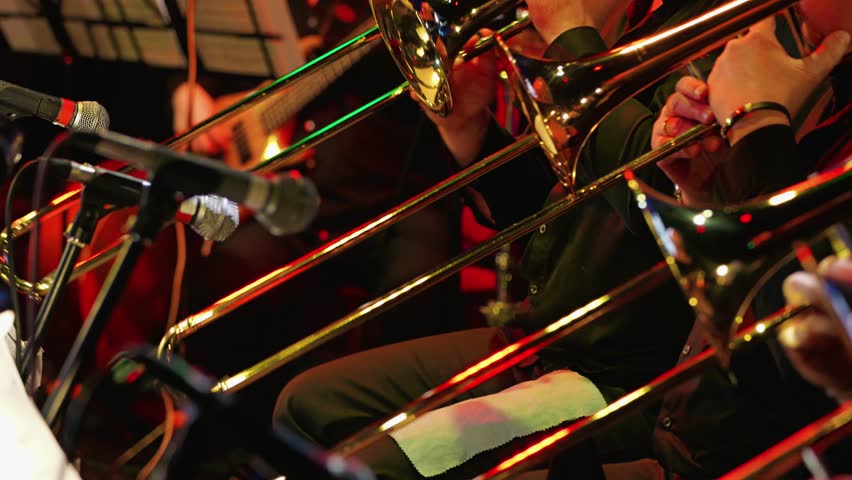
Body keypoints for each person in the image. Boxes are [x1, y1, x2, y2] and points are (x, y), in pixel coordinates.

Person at [273, 0, 731, 478]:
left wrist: (573, 36)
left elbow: (657, 201)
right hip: (546, 337)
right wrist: (468, 128)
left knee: (375, 467)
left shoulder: (722, 31)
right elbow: (545, 216)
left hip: (621, 377)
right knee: (306, 408)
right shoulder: (645, 22)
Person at [644, 1, 851, 476]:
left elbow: (818, 351)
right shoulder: (830, 85)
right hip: (677, 440)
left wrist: (756, 126)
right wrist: (711, 193)